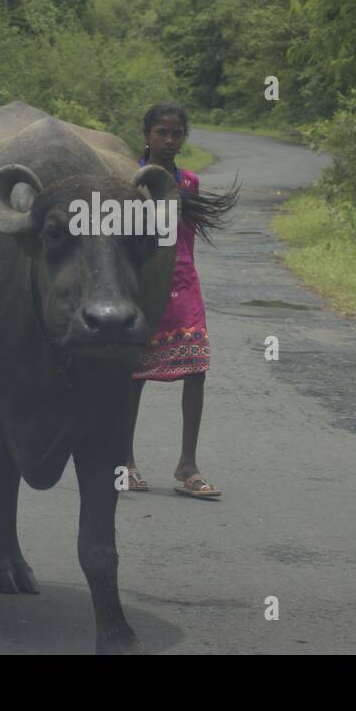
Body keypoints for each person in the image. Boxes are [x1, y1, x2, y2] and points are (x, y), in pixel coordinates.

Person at [125, 101, 220, 498]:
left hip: (182, 282)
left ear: (184, 137)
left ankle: (188, 466)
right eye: (161, 132)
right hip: (139, 281)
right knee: (132, 375)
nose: (168, 139)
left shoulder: (190, 183)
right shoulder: (127, 179)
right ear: (146, 134)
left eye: (176, 133)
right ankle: (124, 461)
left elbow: (187, 242)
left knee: (196, 367)